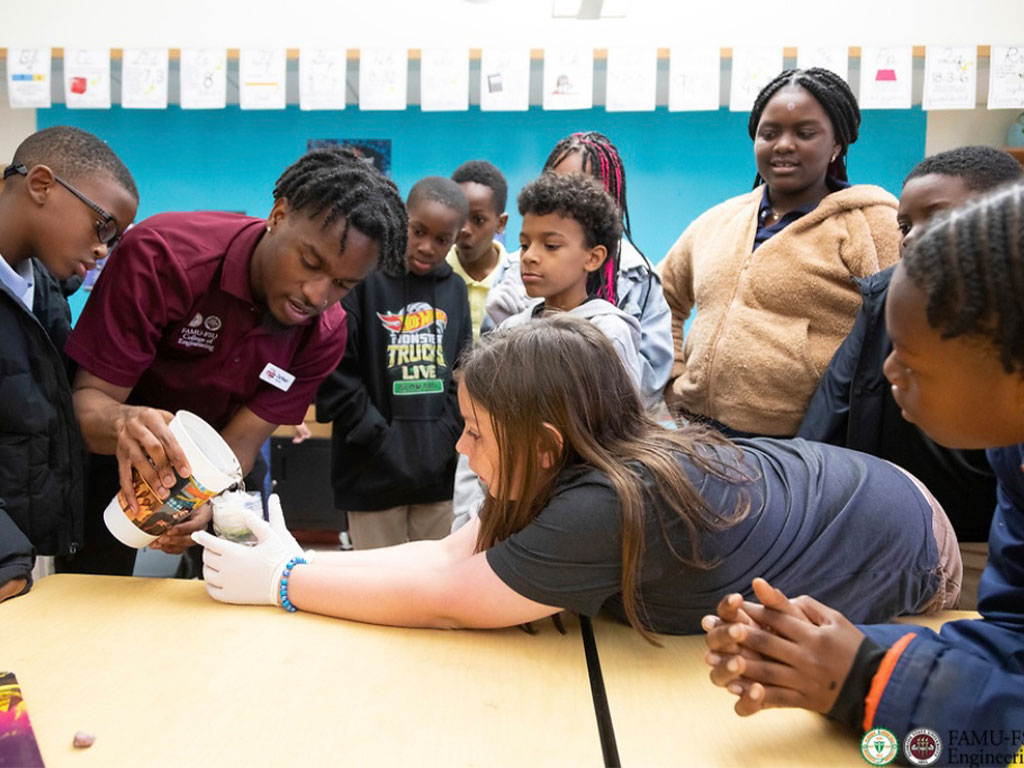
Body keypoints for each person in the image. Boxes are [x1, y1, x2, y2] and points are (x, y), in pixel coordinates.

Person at [193, 315, 957, 636]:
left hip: (908, 537)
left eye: (478, 433)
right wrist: (300, 558)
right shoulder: (587, 455)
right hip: (859, 485)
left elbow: (452, 599)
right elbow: (454, 553)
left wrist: (283, 584)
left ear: (548, 442)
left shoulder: (612, 502)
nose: (462, 449)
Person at [704, 182, 1024, 765]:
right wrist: (826, 646)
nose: (888, 370)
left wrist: (864, 682)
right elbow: (1014, 639)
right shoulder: (1016, 453)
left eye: (911, 357)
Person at [56, 147, 407, 576]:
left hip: (218, 468)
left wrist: (202, 502)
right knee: (95, 595)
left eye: (342, 284)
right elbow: (86, 404)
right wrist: (123, 424)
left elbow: (241, 443)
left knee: (242, 587)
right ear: (278, 215)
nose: (318, 295)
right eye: (311, 263)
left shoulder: (325, 331)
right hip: (112, 455)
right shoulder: (162, 256)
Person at [798, 146, 1023, 607]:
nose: (912, 238)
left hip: (979, 542)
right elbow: (833, 407)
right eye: (905, 225)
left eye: (936, 219)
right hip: (896, 533)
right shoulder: (886, 297)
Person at [659, 68, 900, 437]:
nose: (783, 144)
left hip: (809, 445)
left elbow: (900, 324)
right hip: (699, 436)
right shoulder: (719, 220)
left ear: (837, 144)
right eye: (769, 133)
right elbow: (662, 297)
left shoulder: (870, 223)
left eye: (804, 133)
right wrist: (672, 379)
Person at [0, 126, 138, 601]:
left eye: (115, 240)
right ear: (41, 185)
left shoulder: (48, 294)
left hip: (27, 560)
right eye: (102, 227)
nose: (103, 249)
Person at [316, 177, 472, 550]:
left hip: (437, 477)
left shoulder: (455, 290)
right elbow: (337, 372)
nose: (426, 246)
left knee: (436, 590)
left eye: (441, 239)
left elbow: (462, 373)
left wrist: (441, 439)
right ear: (402, 218)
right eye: (418, 230)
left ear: (454, 240)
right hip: (371, 472)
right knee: (376, 590)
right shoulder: (360, 279)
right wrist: (382, 439)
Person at [483, 131, 673, 410]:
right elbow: (491, 383)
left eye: (586, 187)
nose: (568, 198)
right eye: (558, 184)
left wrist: (585, 356)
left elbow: (644, 388)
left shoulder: (638, 278)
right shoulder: (515, 269)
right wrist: (508, 330)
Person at [446, 160, 510, 338]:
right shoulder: (433, 274)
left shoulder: (518, 280)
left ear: (501, 223)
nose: (465, 229)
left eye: (478, 220)